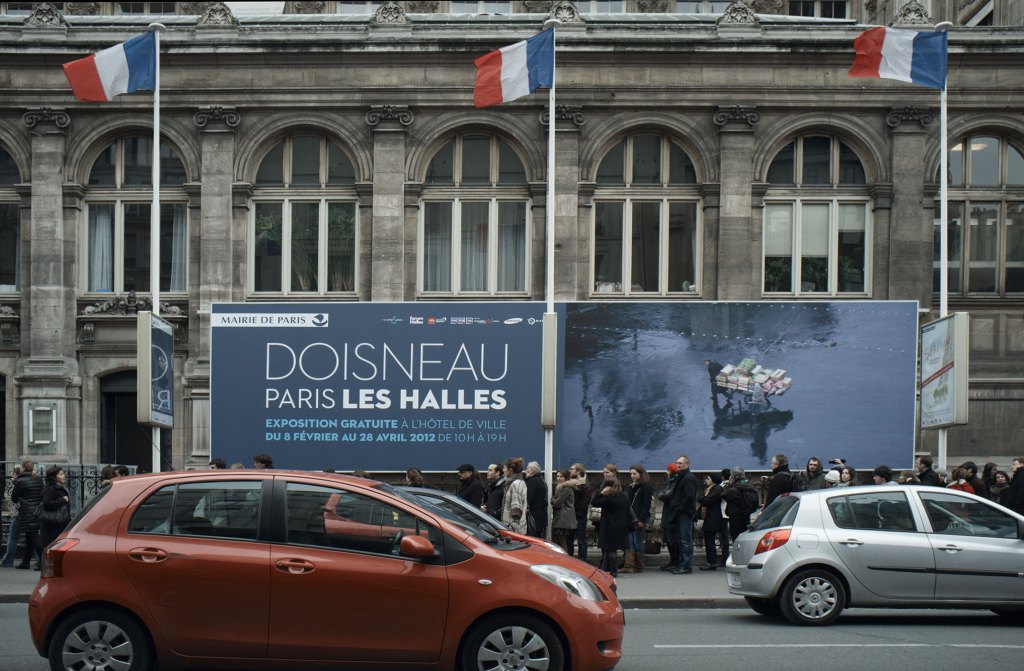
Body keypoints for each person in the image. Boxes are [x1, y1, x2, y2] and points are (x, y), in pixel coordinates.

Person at [663, 455, 697, 575]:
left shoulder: (688, 478)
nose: (678, 465)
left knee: (685, 540)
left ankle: (686, 566)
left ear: (687, 464)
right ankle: (682, 564)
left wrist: (680, 508)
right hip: (680, 512)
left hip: (684, 513)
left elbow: (689, 496)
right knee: (681, 540)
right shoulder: (681, 477)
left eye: (680, 463)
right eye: (677, 463)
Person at [590, 476, 629, 577]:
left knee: (610, 549)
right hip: (621, 525)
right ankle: (606, 569)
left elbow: (594, 502)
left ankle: (613, 571)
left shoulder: (607, 498)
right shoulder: (624, 496)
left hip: (608, 526)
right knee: (610, 549)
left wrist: (601, 493)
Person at [11, 460, 43, 570]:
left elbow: (14, 498)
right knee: (30, 537)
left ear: (24, 468)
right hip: (37, 511)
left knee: (33, 537)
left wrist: (15, 482)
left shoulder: (20, 481)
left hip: (26, 512)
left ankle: (43, 561)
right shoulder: (38, 479)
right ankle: (26, 562)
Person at [622, 464, 652, 573]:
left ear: (641, 473)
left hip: (639, 517)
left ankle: (638, 565)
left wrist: (642, 520)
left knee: (637, 541)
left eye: (634, 473)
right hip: (631, 517)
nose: (632, 476)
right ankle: (629, 565)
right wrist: (630, 488)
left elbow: (646, 504)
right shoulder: (633, 486)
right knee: (630, 541)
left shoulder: (647, 486)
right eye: (631, 474)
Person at [697, 473, 727, 570]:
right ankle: (710, 561)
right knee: (708, 540)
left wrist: (701, 498)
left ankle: (712, 562)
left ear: (713, 480)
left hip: (713, 518)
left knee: (710, 541)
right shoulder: (711, 489)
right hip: (710, 517)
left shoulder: (717, 489)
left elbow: (708, 501)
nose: (706, 480)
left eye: (708, 479)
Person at [39, 466, 72, 549]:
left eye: (63, 474)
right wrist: (62, 500)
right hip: (53, 525)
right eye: (60, 474)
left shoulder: (60, 488)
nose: (63, 476)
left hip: (61, 524)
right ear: (54, 477)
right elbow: (47, 505)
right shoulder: (51, 489)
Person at [722, 467, 758, 541]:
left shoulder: (734, 489)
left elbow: (723, 495)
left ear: (734, 477)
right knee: (744, 538)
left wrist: (729, 484)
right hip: (746, 516)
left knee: (736, 539)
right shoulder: (750, 486)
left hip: (735, 518)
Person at [567, 463, 592, 561]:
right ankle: (570, 560)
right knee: (569, 539)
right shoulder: (570, 484)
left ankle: (583, 560)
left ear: (578, 471)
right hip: (571, 516)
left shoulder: (586, 486)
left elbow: (584, 503)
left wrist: (577, 514)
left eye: (572, 469)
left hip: (579, 517)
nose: (570, 470)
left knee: (581, 540)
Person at [550, 469, 577, 553]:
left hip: (563, 519)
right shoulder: (560, 487)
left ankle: (565, 560)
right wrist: (553, 500)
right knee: (559, 542)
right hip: (560, 518)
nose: (558, 478)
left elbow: (557, 503)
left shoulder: (566, 488)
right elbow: (554, 500)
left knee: (562, 542)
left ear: (566, 477)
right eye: (557, 476)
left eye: (561, 476)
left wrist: (553, 500)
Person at [500, 457, 529, 534]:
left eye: (504, 468)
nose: (503, 470)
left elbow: (516, 507)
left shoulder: (516, 483)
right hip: (513, 526)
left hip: (513, 528)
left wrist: (513, 527)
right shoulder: (517, 482)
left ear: (511, 470)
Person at [1, 465, 22, 568]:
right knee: (33, 538)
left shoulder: (18, 484)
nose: (12, 475)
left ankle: (8, 561)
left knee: (12, 538)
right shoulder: (31, 481)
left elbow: (15, 499)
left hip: (19, 513)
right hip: (29, 513)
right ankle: (40, 558)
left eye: (14, 473)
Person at [524, 461, 548, 538]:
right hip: (540, 516)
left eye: (528, 469)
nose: (526, 470)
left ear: (533, 471)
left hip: (533, 516)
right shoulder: (542, 481)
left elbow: (529, 498)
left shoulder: (531, 481)